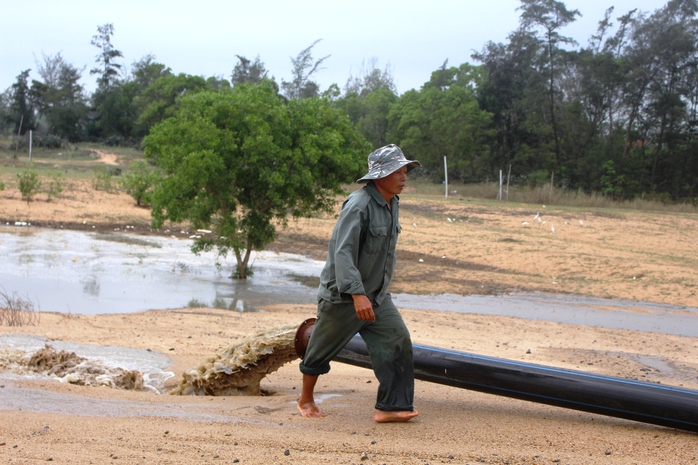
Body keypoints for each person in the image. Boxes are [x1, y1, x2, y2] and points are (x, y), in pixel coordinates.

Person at [297, 144, 421, 423]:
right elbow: (343, 252)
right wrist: (356, 295)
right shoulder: (359, 205)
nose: (403, 177)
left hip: (376, 295)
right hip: (343, 297)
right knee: (319, 350)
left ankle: (389, 407)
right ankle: (305, 399)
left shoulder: (392, 203)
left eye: (404, 172)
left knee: (397, 340)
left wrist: (370, 294)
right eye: (396, 172)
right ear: (378, 176)